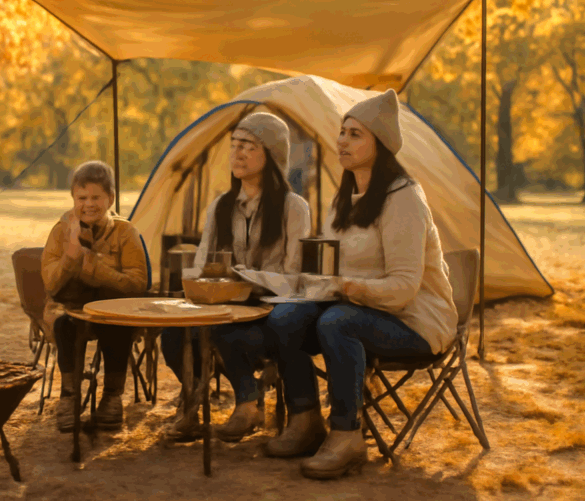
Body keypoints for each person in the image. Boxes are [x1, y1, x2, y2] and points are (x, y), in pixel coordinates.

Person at [262, 89, 458, 480]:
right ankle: (305, 420)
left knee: (337, 322)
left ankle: (347, 435)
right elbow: (332, 266)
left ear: (379, 144)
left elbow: (403, 289)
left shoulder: (403, 199)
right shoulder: (345, 198)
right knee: (285, 318)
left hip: (415, 321)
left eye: (355, 134)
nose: (342, 141)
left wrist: (346, 286)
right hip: (357, 309)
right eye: (342, 132)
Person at [161, 112, 311, 442]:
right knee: (172, 335)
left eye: (248, 146)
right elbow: (204, 265)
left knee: (227, 332)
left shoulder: (293, 207)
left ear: (271, 155)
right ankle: (193, 400)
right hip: (223, 306)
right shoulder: (221, 206)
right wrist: (197, 281)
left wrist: (247, 280)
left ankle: (247, 405)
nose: (237, 153)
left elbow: (295, 279)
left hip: (269, 313)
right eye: (234, 145)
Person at [40, 161, 148, 432]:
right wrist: (71, 254)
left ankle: (112, 396)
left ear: (110, 199)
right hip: (70, 308)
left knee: (117, 327)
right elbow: (51, 283)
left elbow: (138, 284)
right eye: (82, 198)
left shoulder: (125, 232)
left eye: (96, 197)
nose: (89, 204)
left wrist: (94, 268)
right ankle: (69, 396)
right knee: (64, 325)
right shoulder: (60, 231)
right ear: (73, 199)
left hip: (113, 308)